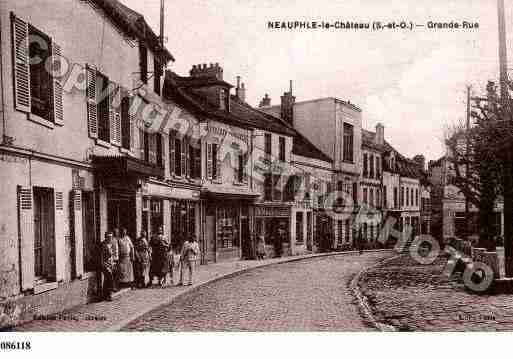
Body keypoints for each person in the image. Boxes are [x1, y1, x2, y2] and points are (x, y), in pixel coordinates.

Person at [100, 232, 116, 301]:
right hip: (105, 263)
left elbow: (112, 253)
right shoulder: (103, 245)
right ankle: (110, 292)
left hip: (110, 263)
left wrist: (113, 261)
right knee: (109, 277)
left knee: (107, 279)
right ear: (105, 237)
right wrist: (102, 263)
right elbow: (101, 255)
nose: (110, 238)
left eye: (111, 237)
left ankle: (106, 294)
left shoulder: (111, 244)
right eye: (108, 237)